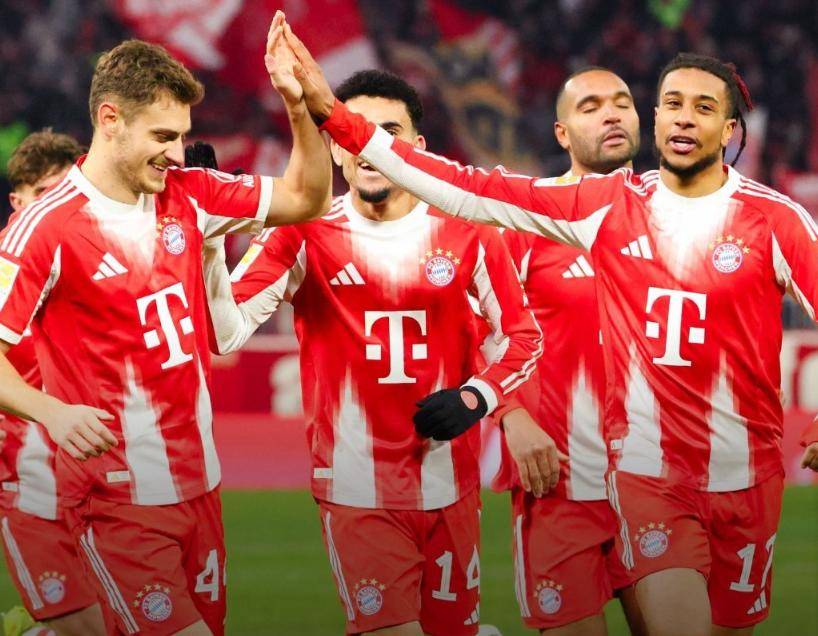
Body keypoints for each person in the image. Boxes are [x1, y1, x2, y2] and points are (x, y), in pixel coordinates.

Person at [283, 30, 818, 636]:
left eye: (703, 107)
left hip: (749, 473)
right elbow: (471, 188)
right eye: (672, 103)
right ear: (656, 118)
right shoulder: (607, 205)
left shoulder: (775, 220)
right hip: (647, 477)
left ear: (729, 130)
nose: (684, 118)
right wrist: (334, 117)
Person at [0, 11, 330, 635]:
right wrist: (52, 412)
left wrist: (297, 106)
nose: (176, 152)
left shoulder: (190, 193)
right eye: (162, 135)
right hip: (114, 497)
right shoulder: (44, 227)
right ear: (110, 120)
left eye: (181, 136)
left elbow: (307, 198)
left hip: (200, 484)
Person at [204, 68, 542, 636]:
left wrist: (477, 397)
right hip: (356, 486)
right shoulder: (301, 231)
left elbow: (522, 336)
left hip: (450, 482)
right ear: (337, 149)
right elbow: (225, 334)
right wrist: (212, 243)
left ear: (416, 149)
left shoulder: (467, 230)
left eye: (388, 132)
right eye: (354, 132)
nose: (368, 146)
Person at [493, 68, 645, 635]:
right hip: (558, 484)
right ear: (562, 133)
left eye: (622, 102)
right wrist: (510, 415)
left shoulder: (670, 214)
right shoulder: (527, 217)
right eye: (591, 106)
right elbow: (475, 324)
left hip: (660, 489)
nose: (611, 114)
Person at [0, 129, 107, 636]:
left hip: (97, 483)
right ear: (17, 202)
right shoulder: (7, 271)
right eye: (44, 193)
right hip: (28, 487)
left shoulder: (95, 267)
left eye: (66, 192)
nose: (55, 207)